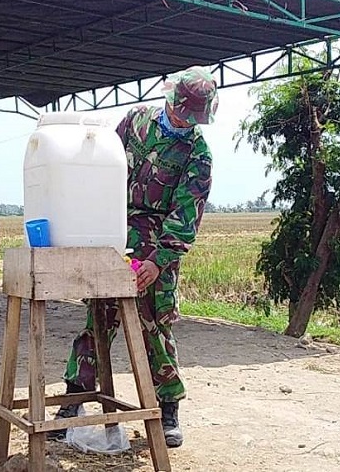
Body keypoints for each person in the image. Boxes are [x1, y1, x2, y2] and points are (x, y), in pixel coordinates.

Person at [50, 66, 218, 448]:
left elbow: (186, 214)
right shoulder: (135, 121)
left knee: (154, 327)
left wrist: (159, 261)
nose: (183, 120)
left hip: (157, 247)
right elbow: (101, 169)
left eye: (190, 116)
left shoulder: (198, 154)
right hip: (113, 235)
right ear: (170, 99)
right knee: (97, 320)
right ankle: (71, 404)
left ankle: (168, 407)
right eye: (180, 111)